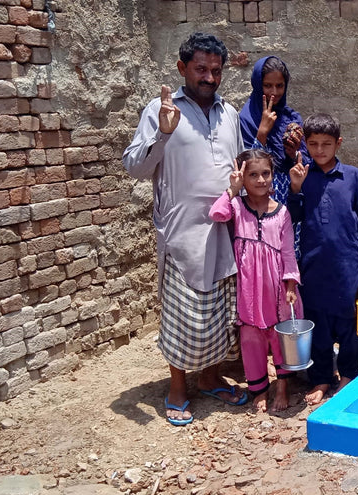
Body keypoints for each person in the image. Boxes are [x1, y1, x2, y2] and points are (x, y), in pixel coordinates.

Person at [122, 31, 247, 426]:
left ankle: (210, 377)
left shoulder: (229, 113)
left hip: (224, 232)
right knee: (182, 316)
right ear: (182, 69)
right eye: (200, 69)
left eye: (215, 70)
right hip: (181, 236)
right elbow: (135, 167)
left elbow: (239, 164)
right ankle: (177, 387)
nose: (209, 77)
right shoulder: (160, 111)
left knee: (220, 314)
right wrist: (163, 133)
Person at [287, 113, 358, 405]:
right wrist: (296, 189)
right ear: (305, 144)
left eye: (326, 144)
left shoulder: (351, 175)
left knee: (350, 324)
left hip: (348, 264)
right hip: (313, 265)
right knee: (318, 324)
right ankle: (322, 377)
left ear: (338, 143)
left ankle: (349, 374)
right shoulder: (302, 175)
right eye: (313, 144)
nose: (319, 150)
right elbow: (294, 218)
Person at [210, 149, 301, 413]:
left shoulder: (282, 212)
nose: (261, 180)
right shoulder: (237, 207)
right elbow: (217, 214)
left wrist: (291, 284)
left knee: (281, 336)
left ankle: (282, 387)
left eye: (266, 173)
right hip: (249, 287)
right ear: (242, 176)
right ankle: (259, 390)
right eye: (253, 175)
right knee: (251, 338)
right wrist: (232, 189)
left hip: (276, 287)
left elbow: (287, 251)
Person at [239, 56, 305, 203]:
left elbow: (305, 162)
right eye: (267, 85)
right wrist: (262, 132)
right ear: (258, 85)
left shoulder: (291, 118)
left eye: (280, 85)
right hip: (259, 204)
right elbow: (247, 165)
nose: (274, 92)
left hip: (290, 201)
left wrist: (293, 154)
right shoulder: (247, 119)